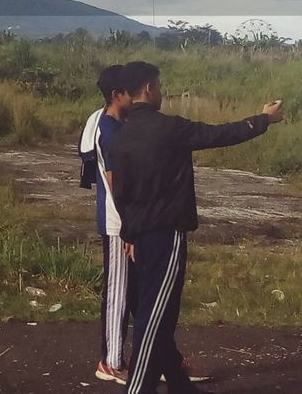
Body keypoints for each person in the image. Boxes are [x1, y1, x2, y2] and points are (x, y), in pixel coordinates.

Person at [107, 60, 283, 394]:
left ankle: (178, 383)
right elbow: (220, 134)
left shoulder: (121, 136)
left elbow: (121, 194)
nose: (161, 91)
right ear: (149, 88)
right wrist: (264, 120)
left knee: (160, 311)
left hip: (140, 236)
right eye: (159, 86)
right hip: (166, 234)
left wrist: (129, 233)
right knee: (153, 317)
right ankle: (138, 389)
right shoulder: (168, 128)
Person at [78, 64, 135, 384]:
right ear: (118, 95)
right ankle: (111, 362)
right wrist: (130, 225)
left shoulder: (99, 119)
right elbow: (113, 182)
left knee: (130, 292)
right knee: (118, 293)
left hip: (119, 220)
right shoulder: (111, 132)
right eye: (133, 90)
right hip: (117, 223)